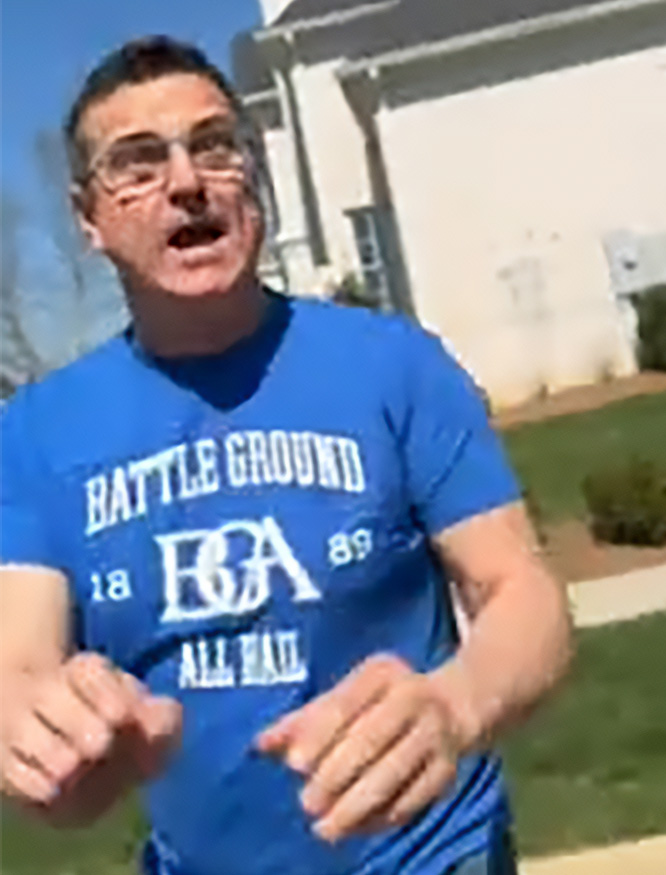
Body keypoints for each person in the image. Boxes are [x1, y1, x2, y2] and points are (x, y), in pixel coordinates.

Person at [0, 36, 571, 875]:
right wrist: (44, 739)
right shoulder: (35, 433)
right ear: (89, 218)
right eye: (138, 164)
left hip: (435, 856)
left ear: (254, 179)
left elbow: (522, 591)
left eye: (215, 146)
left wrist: (458, 704)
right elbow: (18, 662)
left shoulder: (394, 364)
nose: (188, 181)